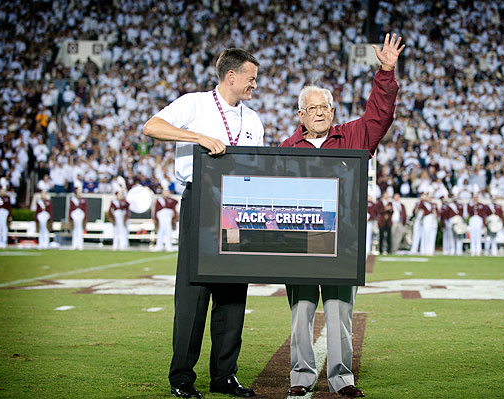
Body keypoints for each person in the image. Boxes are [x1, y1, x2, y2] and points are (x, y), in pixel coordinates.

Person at [279, 33, 404, 398]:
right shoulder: (286, 147)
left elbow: (381, 114)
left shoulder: (353, 135)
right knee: (301, 310)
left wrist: (385, 71)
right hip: (300, 238)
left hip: (342, 237)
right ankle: (301, 377)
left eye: (325, 107)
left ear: (332, 112)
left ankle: (341, 377)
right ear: (300, 115)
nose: (319, 113)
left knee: (339, 310)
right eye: (312, 108)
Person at [143, 48, 263, 399]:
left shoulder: (253, 119)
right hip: (202, 200)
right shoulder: (194, 104)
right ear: (231, 76)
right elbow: (151, 126)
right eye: (251, 78)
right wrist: (197, 138)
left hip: (239, 207)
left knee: (233, 294)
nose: (255, 84)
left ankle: (224, 375)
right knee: (193, 295)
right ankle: (182, 376)